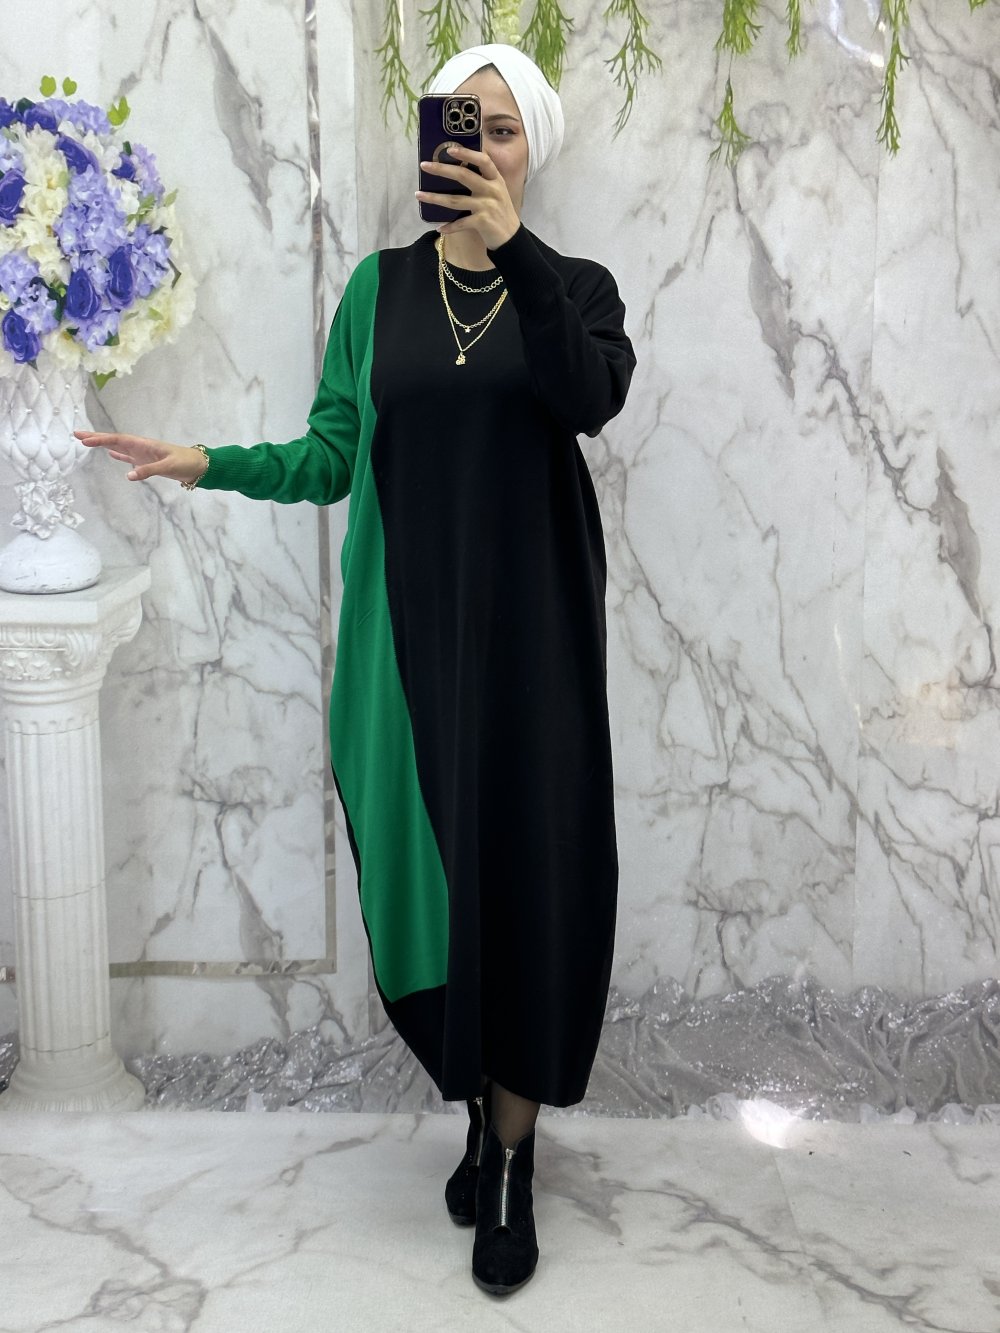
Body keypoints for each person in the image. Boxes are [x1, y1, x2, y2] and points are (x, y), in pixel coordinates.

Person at [78, 44, 635, 1297]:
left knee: (527, 877)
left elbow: (589, 396)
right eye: (463, 121)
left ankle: (512, 1162)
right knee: (438, 881)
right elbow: (332, 455)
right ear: (431, 139)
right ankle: (478, 1115)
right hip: (410, 647)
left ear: (531, 152)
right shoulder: (376, 293)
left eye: (504, 129)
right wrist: (207, 460)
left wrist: (518, 254)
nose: (482, 145)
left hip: (536, 648)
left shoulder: (575, 289)